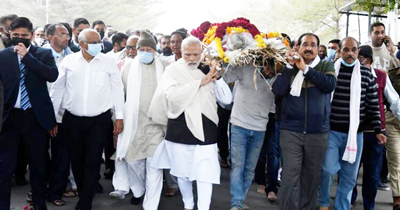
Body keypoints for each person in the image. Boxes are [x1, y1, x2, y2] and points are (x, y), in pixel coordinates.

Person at [148, 36, 232, 210]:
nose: (192, 59)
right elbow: (171, 96)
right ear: (180, 52)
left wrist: (218, 78)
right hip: (180, 126)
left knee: (205, 173)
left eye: (196, 54)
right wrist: (200, 83)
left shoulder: (209, 69)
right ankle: (188, 204)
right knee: (182, 172)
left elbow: (226, 99)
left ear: (202, 52)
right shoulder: (173, 70)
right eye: (188, 54)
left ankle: (203, 207)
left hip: (207, 126)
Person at [50, 28, 124, 210]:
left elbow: (117, 89)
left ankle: (85, 201)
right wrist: (53, 118)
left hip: (99, 121)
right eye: (93, 42)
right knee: (76, 160)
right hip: (72, 120)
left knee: (92, 161)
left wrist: (119, 117)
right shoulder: (69, 61)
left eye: (99, 41)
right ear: (82, 44)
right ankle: (84, 192)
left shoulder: (108, 62)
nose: (98, 45)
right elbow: (57, 89)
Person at [318, 37, 386, 210]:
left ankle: (342, 207)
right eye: (346, 49)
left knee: (349, 178)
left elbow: (373, 104)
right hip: (331, 132)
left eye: (354, 50)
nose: (350, 53)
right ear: (340, 51)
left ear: (358, 52)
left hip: (355, 135)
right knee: (327, 170)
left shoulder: (366, 74)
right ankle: (324, 203)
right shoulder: (330, 70)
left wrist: (378, 129)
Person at [272, 33, 336, 210]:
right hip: (291, 131)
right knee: (289, 176)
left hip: (318, 132)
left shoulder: (325, 65)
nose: (308, 48)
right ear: (297, 47)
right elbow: (277, 90)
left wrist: (306, 70)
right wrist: (289, 66)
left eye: (313, 45)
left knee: (311, 178)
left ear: (318, 49)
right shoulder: (289, 68)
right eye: (305, 44)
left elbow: (329, 84)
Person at [0, 17, 58, 210]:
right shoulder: (3, 56)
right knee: (5, 168)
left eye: (24, 36)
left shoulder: (43, 54)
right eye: (15, 35)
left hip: (36, 118)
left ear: (32, 35)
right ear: (9, 34)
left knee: (38, 166)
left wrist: (27, 58)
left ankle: (40, 205)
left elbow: (52, 75)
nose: (19, 39)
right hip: (10, 119)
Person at [110, 30, 169, 209]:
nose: (144, 52)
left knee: (154, 166)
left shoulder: (165, 66)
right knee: (134, 163)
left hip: (157, 126)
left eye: (148, 49)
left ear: (154, 50)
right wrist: (117, 119)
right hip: (133, 125)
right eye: (141, 49)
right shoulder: (128, 67)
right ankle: (138, 191)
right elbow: (119, 95)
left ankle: (151, 204)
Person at [222, 35, 276, 210]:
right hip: (239, 125)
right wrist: (226, 58)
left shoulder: (278, 78)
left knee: (249, 168)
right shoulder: (247, 68)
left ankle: (239, 200)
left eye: (273, 66)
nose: (269, 70)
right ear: (261, 59)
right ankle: (237, 202)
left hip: (260, 129)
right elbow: (224, 76)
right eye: (267, 64)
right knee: (237, 165)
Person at [351, 45, 400, 210]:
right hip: (353, 131)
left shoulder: (381, 76)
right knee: (350, 171)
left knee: (372, 174)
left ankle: (369, 206)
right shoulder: (350, 75)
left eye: (359, 58)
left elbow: (394, 101)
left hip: (376, 133)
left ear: (367, 60)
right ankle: (350, 200)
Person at [42, 23, 73, 207]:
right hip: (40, 113)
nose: (66, 38)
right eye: (62, 34)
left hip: (62, 115)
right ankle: (38, 188)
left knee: (61, 155)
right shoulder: (38, 55)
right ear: (50, 36)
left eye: (67, 34)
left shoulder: (72, 56)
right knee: (40, 156)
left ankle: (55, 192)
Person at [369, 22, 399, 194]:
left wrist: (392, 52)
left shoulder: (389, 52)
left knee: (385, 144)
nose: (380, 35)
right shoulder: (366, 50)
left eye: (382, 32)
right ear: (371, 34)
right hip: (368, 101)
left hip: (386, 103)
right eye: (376, 32)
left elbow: (397, 70)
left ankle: (381, 177)